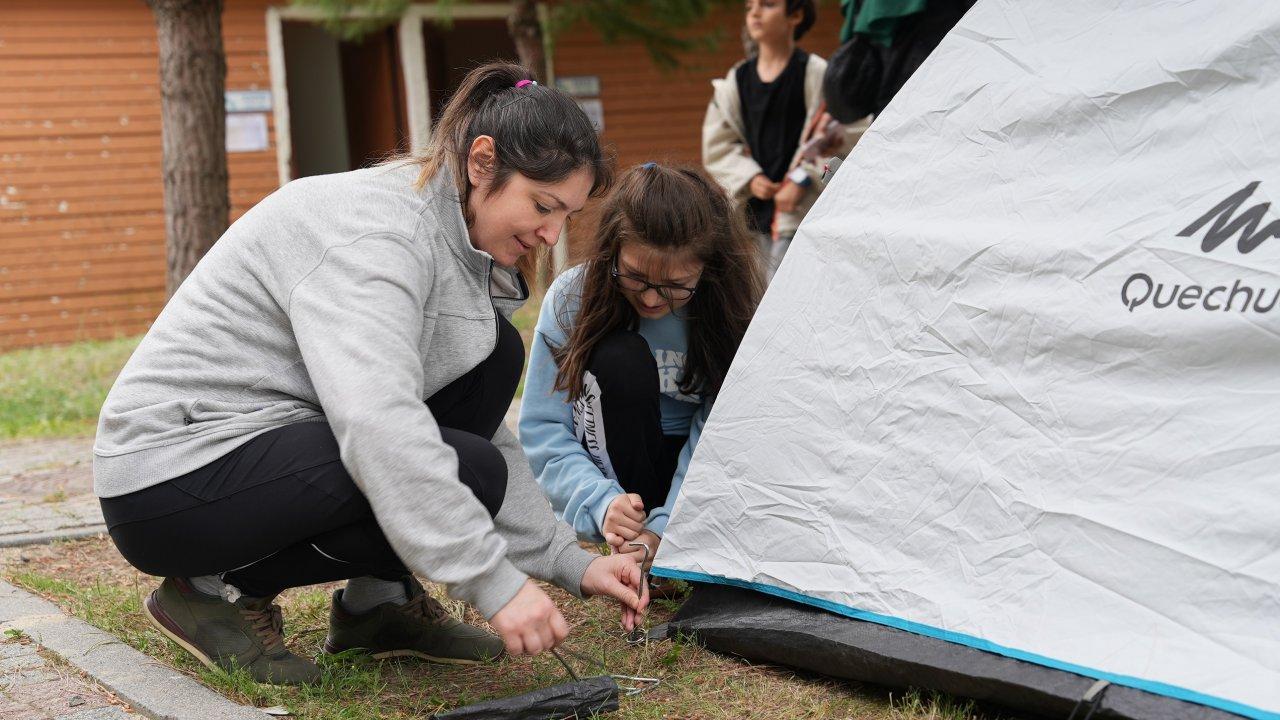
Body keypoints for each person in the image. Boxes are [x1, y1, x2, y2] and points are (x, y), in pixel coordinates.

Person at [92, 63, 648, 686]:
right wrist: (494, 582)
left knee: (490, 363)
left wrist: (570, 562)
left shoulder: (453, 241)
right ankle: (209, 590)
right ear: (482, 162)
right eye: (543, 206)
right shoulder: (379, 234)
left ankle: (379, 604)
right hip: (171, 475)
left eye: (566, 215)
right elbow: (376, 421)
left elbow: (472, 431)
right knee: (465, 468)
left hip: (263, 445)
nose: (551, 234)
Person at [519, 163, 764, 572]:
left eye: (676, 286)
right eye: (634, 277)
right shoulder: (572, 298)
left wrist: (668, 527)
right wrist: (601, 503)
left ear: (708, 269)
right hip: (614, 474)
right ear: (612, 251)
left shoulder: (730, 310)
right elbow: (544, 429)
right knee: (620, 358)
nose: (651, 299)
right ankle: (630, 531)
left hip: (696, 472)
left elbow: (725, 435)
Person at [703, 0, 867, 279]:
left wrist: (804, 178)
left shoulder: (818, 75)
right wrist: (749, 178)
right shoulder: (735, 81)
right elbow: (718, 145)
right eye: (749, 7)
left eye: (767, 4)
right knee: (756, 297)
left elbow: (848, 135)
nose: (755, 13)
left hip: (806, 216)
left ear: (796, 15)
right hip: (752, 222)